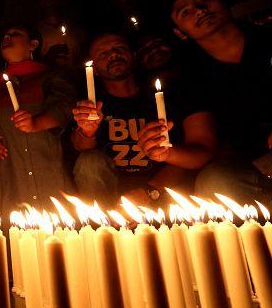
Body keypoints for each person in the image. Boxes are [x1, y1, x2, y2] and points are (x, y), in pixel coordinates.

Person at [169, 0, 272, 201]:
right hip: (264, 166)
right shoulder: (192, 79)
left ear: (224, 3)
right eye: (185, 12)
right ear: (179, 32)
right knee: (216, 181)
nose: (199, 10)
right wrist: (167, 152)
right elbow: (202, 145)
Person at [71, 33, 217, 207]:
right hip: (112, 195)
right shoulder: (93, 104)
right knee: (89, 160)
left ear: (133, 55)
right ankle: (104, 230)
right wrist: (87, 131)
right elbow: (81, 148)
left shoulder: (169, 97)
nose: (113, 55)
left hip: (165, 189)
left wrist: (150, 190)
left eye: (120, 48)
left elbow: (191, 159)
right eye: (102, 53)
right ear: (93, 68)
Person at [0, 24, 76, 215]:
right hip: (9, 175)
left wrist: (37, 123)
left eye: (15, 34)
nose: (7, 38)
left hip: (50, 166)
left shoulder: (50, 76)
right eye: (5, 35)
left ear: (33, 44)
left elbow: (65, 105)